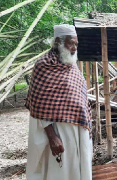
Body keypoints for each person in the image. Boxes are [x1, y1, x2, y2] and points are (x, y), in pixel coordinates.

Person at [25, 24, 93, 180]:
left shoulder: (72, 66)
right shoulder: (43, 65)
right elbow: (37, 104)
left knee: (78, 171)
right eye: (71, 43)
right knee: (58, 172)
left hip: (78, 129)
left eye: (76, 44)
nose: (74, 48)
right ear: (58, 42)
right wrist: (52, 136)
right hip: (56, 132)